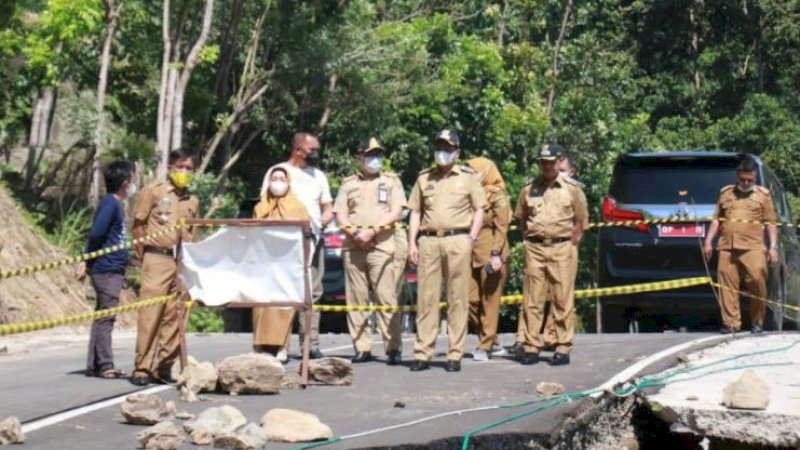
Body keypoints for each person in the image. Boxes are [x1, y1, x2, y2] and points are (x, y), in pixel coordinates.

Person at [407, 130, 486, 372]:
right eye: (439, 147)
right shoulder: (424, 178)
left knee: (457, 298)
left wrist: (471, 237)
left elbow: (480, 208)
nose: (442, 152)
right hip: (429, 241)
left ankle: (454, 353)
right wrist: (412, 242)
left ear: (457, 152)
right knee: (426, 299)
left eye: (447, 148)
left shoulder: (468, 177)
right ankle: (423, 352)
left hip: (458, 239)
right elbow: (416, 212)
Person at [260, 132, 333, 359]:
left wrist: (322, 222)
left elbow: (327, 207)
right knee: (281, 292)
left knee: (313, 293)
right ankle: (278, 344)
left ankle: (310, 344)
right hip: (281, 245)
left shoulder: (318, 176)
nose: (316, 154)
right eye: (312, 150)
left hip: (311, 241)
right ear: (298, 148)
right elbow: (265, 204)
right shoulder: (278, 173)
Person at [334, 138, 406, 365]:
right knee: (357, 300)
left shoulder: (392, 181)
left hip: (382, 246)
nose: (375, 159)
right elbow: (341, 215)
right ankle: (362, 347)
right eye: (370, 155)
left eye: (378, 155)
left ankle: (393, 347)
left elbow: (396, 211)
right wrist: (356, 233)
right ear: (359, 159)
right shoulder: (347, 184)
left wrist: (372, 232)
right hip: (354, 246)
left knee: (386, 297)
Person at [514, 143, 588, 366]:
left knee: (561, 298)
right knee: (532, 299)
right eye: (542, 162)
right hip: (535, 248)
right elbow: (521, 219)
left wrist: (569, 243)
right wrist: (531, 240)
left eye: (550, 162)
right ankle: (531, 346)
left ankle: (563, 346)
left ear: (558, 162)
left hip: (561, 247)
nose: (546, 166)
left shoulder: (572, 189)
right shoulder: (528, 189)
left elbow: (581, 221)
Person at [130, 148, 199, 386]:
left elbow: (192, 233)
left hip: (180, 262)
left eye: (188, 168)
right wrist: (144, 255)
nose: (183, 172)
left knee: (176, 313)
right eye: (180, 167)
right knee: (151, 314)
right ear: (170, 167)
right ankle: (142, 368)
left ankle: (163, 365)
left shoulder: (192, 200)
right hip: (156, 258)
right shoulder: (153, 191)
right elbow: (138, 225)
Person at [703, 158, 778, 334]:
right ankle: (731, 323)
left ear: (755, 177)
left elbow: (770, 223)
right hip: (727, 246)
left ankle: (757, 322)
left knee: (757, 281)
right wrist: (708, 241)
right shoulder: (726, 193)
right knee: (727, 285)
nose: (746, 183)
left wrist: (773, 247)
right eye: (743, 179)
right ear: (737, 176)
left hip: (753, 247)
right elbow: (716, 219)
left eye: (750, 180)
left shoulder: (763, 195)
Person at [77, 160, 136, 379]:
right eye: (132, 179)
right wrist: (86, 258)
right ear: (124, 182)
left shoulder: (115, 203)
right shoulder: (111, 204)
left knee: (102, 314)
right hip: (107, 268)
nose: (133, 184)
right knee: (106, 317)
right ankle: (105, 364)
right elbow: (97, 233)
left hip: (112, 268)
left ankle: (94, 364)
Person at [252, 166, 310, 363]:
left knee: (284, 305)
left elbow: (305, 232)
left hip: (286, 263)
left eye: (281, 179)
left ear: (288, 183)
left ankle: (281, 347)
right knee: (261, 305)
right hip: (264, 263)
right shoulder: (260, 206)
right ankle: (259, 345)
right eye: (274, 179)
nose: (277, 183)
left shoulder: (297, 206)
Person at [465, 157, 510, 362]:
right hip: (470, 252)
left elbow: (501, 227)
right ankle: (493, 340)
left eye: (473, 170)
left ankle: (484, 345)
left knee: (489, 301)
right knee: (468, 300)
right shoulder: (467, 192)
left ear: (485, 172)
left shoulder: (496, 193)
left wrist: (496, 254)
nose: (469, 173)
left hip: (491, 251)